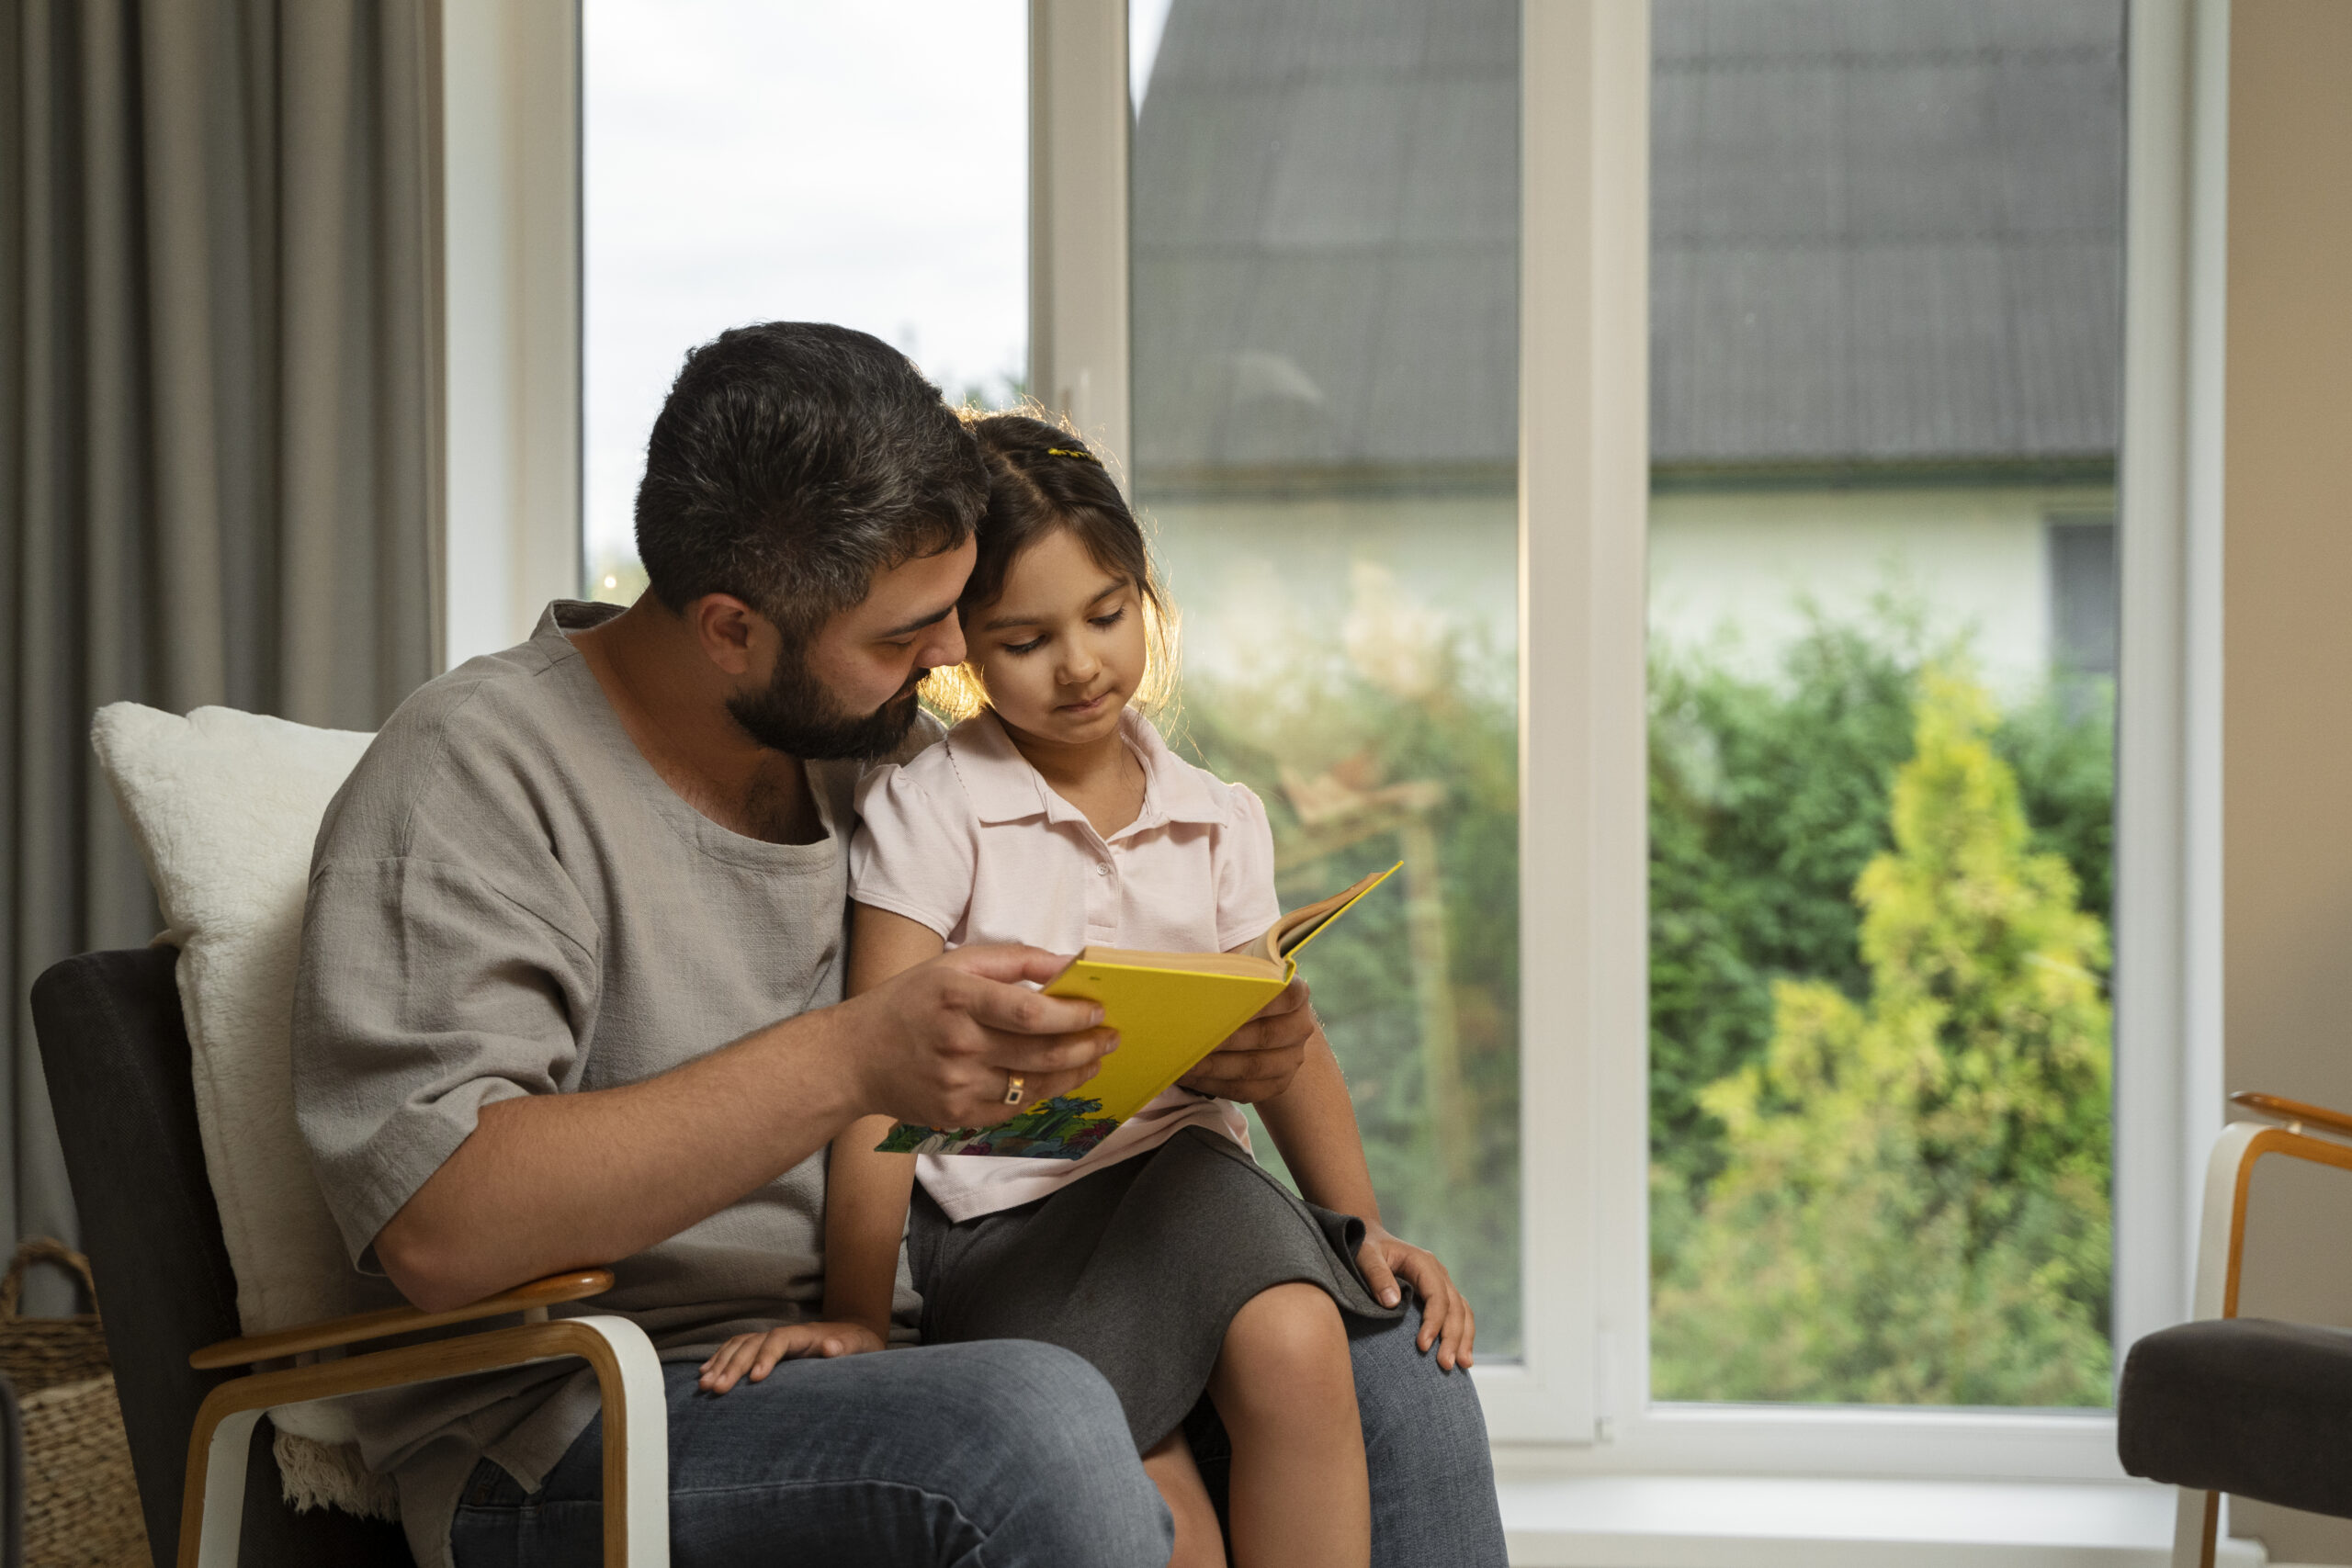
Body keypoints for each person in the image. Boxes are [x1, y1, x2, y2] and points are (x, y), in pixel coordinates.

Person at [291, 322, 1502, 1568]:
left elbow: (1006, 1123)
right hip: (598, 1407)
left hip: (941, 1326)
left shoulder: (874, 751)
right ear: (730, 628)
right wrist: (855, 1057)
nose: (948, 661)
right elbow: (440, 1224)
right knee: (1034, 1424)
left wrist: (1207, 1064)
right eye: (903, 634)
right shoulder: (474, 775)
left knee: (1389, 1355)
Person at [697, 410, 1497, 1568]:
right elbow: (870, 1081)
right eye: (1023, 639)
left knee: (1297, 1340)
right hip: (1003, 1221)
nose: (1078, 664)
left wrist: (1363, 1227)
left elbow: (1286, 1041)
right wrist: (862, 1316)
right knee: (1151, 1499)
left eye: (1106, 616)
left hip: (1189, 1187)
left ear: (1142, 596)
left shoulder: (1220, 817)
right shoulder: (934, 809)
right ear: (958, 644)